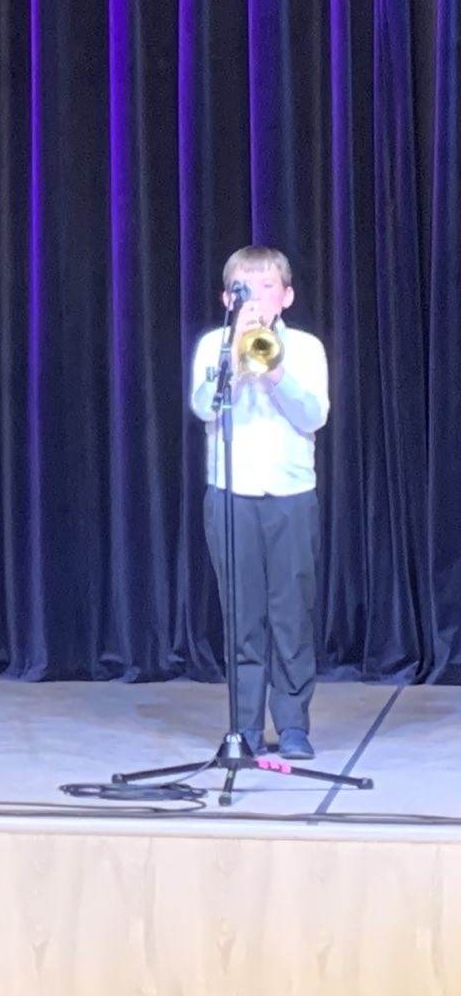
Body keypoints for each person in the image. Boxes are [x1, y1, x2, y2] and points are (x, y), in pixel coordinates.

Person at [188, 246, 329, 760]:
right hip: (231, 494)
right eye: (244, 290)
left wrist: (272, 370)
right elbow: (203, 407)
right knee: (241, 617)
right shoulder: (213, 346)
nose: (256, 299)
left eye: (267, 287)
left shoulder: (306, 348)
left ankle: (292, 725)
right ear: (228, 298)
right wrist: (233, 362)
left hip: (290, 495)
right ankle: (244, 727)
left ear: (286, 297)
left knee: (291, 615)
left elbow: (313, 416)